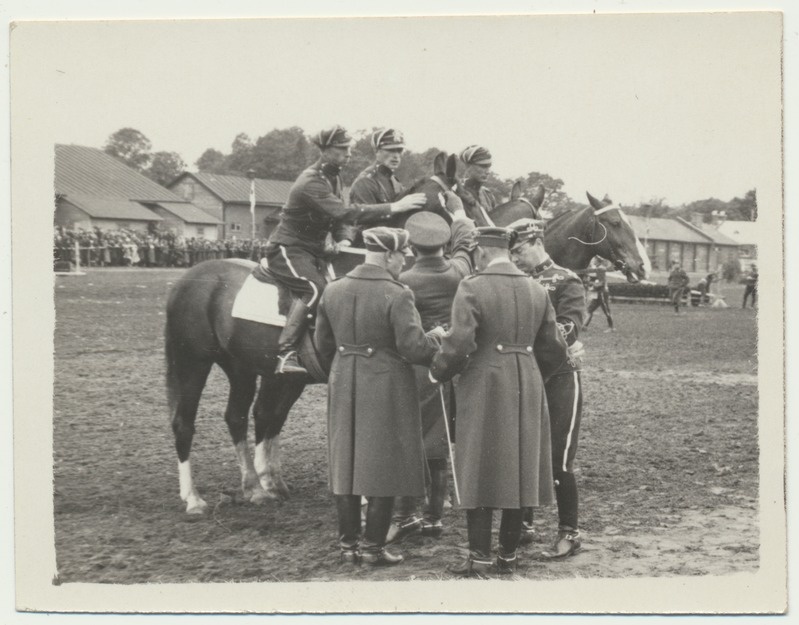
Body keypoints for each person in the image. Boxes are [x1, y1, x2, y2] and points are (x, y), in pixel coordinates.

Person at [430, 227, 569, 577]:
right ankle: (508, 556)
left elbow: (460, 343)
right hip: (527, 381)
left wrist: (440, 370)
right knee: (518, 467)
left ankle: (479, 556)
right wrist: (532, 374)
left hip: (484, 382)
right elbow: (555, 349)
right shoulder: (537, 288)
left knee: (478, 464)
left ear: (480, 251)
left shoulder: (472, 286)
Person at [314, 226, 445, 567]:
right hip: (386, 386)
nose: (405, 262)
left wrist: (347, 367)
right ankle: (372, 548)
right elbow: (414, 348)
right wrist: (436, 338)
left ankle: (348, 547)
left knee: (346, 463)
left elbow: (322, 345)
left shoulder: (333, 289)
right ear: (389, 254)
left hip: (343, 380)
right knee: (383, 466)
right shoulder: (397, 293)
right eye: (403, 255)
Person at [263, 125, 427, 376]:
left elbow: (337, 218)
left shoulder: (334, 177)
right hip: (288, 248)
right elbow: (345, 212)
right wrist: (395, 207)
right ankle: (286, 353)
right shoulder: (311, 181)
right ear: (325, 150)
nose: (349, 153)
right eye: (342, 148)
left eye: (348, 148)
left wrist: (345, 240)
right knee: (315, 288)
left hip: (315, 250)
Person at [386, 195, 477, 543]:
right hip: (458, 366)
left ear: (411, 247)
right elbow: (466, 244)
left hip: (420, 368)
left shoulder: (403, 280)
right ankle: (434, 517)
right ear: (444, 244)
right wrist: (458, 214)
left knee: (415, 440)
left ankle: (408, 513)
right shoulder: (459, 270)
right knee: (440, 445)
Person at [509, 218, 587, 558]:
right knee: (524, 452)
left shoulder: (566, 280)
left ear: (538, 242)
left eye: (519, 250)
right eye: (511, 253)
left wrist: (523, 345)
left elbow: (569, 329)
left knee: (559, 459)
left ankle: (570, 532)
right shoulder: (514, 282)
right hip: (527, 378)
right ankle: (524, 524)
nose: (514, 258)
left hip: (560, 380)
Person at [349, 128, 407, 205]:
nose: (396, 156)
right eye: (391, 150)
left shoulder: (393, 180)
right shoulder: (365, 181)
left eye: (399, 150)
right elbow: (365, 212)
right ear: (377, 151)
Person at [459, 145, 497, 224]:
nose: (487, 171)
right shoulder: (457, 193)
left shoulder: (488, 195)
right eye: (483, 166)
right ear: (468, 166)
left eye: (488, 166)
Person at [584, 258, 614, 331]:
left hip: (602, 293)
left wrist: (591, 284)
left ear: (598, 261)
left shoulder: (600, 268)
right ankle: (584, 326)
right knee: (589, 310)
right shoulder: (598, 268)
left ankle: (611, 327)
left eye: (594, 260)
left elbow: (601, 283)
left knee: (606, 310)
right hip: (598, 293)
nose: (593, 261)